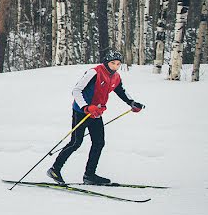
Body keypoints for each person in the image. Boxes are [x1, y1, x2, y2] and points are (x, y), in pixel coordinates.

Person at [47, 49, 145, 186]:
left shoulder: (116, 77)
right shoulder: (94, 72)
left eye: (118, 64)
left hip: (96, 113)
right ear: (106, 62)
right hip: (81, 111)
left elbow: (121, 91)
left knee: (99, 143)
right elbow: (76, 90)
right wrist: (85, 107)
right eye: (113, 63)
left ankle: (89, 175)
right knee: (76, 142)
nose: (115, 66)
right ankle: (54, 169)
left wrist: (132, 103)